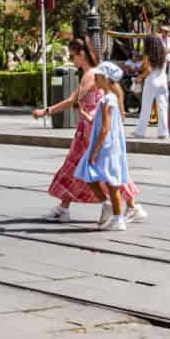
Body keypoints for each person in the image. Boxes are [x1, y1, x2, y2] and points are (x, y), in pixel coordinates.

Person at [31, 37, 144, 223]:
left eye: (73, 55)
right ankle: (64, 207)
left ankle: (131, 205)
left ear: (82, 54)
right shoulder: (91, 74)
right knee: (78, 167)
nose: (71, 59)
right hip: (88, 126)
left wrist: (46, 111)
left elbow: (72, 100)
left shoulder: (91, 75)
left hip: (92, 128)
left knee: (98, 169)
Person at [75, 61, 133, 230]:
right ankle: (112, 210)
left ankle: (117, 217)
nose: (95, 79)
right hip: (110, 146)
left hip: (106, 147)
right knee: (99, 177)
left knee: (110, 182)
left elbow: (105, 128)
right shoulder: (111, 98)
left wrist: (94, 151)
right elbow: (102, 122)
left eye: (98, 77)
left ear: (106, 79)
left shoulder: (107, 100)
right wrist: (86, 116)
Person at [134, 34, 170, 141]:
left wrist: (140, 77)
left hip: (151, 81)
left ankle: (140, 131)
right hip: (163, 80)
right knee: (162, 107)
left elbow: (148, 70)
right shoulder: (164, 52)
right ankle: (163, 132)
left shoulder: (148, 55)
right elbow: (167, 49)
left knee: (146, 107)